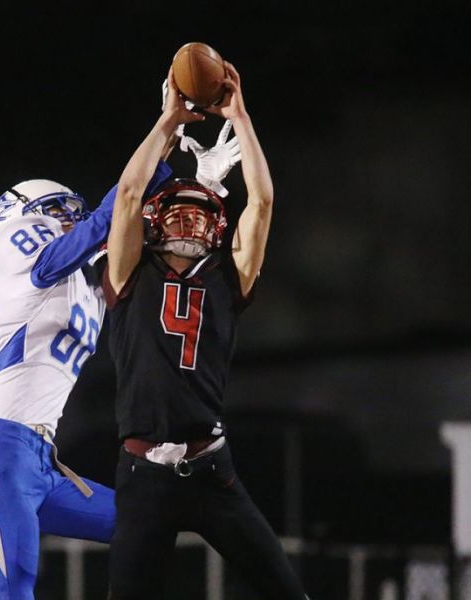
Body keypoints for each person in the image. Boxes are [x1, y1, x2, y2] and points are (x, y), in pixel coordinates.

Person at [0, 87, 203, 599]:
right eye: (59, 209)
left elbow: (132, 232)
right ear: (26, 215)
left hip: (42, 459)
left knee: (148, 526)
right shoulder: (18, 256)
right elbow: (107, 219)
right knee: (12, 591)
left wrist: (188, 177)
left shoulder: (78, 277)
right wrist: (160, 137)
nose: (70, 216)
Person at [103, 65, 308, 598]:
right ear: (156, 221)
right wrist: (169, 119)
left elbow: (260, 204)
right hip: (143, 471)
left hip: (209, 466)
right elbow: (127, 194)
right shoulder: (129, 274)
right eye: (179, 209)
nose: (190, 221)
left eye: (202, 212)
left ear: (217, 226)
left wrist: (240, 116)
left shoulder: (227, 276)